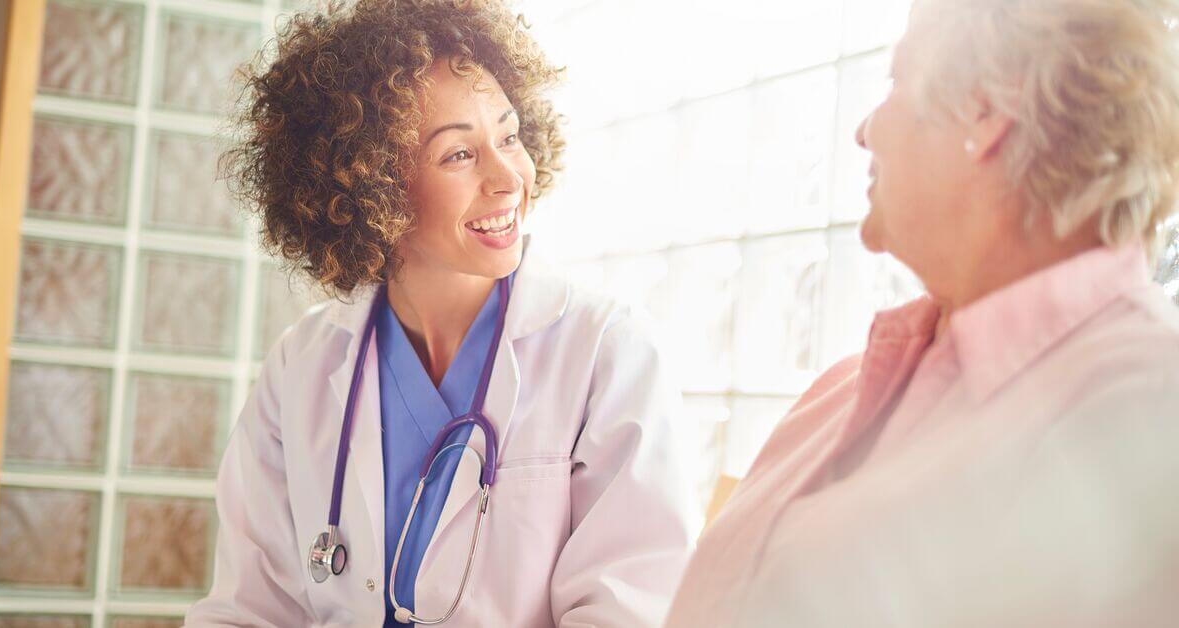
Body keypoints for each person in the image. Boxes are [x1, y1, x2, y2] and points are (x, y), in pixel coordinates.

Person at [665, 0, 1179, 626]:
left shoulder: (1148, 407)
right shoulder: (837, 393)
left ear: (986, 108)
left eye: (895, 81)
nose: (863, 131)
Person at [184, 1, 698, 625]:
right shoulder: (303, 364)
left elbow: (629, 609)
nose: (509, 177)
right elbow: (248, 609)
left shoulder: (606, 353)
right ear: (366, 182)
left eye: (509, 136)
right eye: (459, 155)